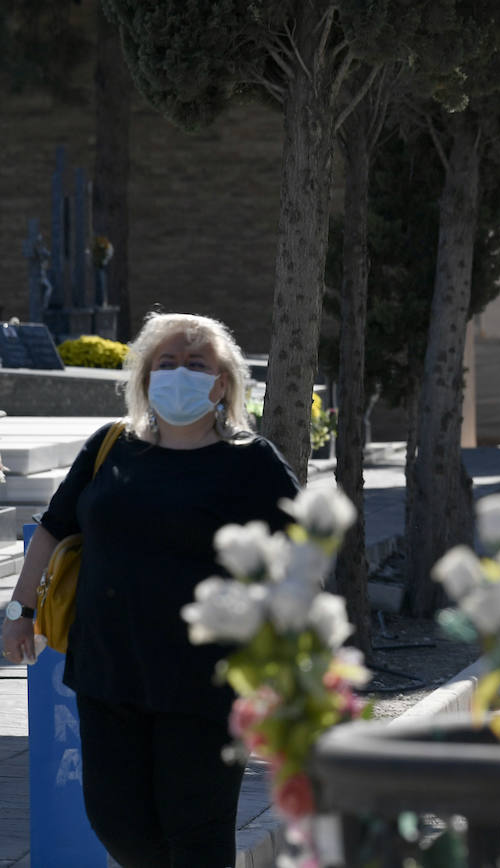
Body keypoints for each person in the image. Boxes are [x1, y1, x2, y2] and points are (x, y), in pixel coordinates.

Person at [2, 312, 299, 868]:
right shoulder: (109, 446)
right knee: (117, 823)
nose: (179, 373)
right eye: (166, 363)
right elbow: (54, 527)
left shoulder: (251, 463)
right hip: (108, 671)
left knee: (195, 835)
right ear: (143, 377)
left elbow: (302, 556)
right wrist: (19, 611)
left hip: (206, 681)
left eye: (196, 364)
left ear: (222, 383)